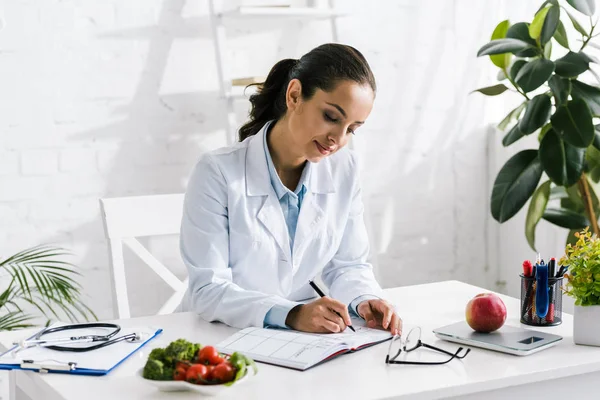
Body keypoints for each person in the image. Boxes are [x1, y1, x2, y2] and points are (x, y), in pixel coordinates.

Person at [180, 43, 402, 335]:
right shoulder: (217, 171)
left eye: (352, 129)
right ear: (294, 95)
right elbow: (207, 290)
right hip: (218, 337)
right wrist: (292, 314)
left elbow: (348, 265)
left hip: (302, 342)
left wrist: (364, 300)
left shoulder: (344, 168)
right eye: (331, 117)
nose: (338, 138)